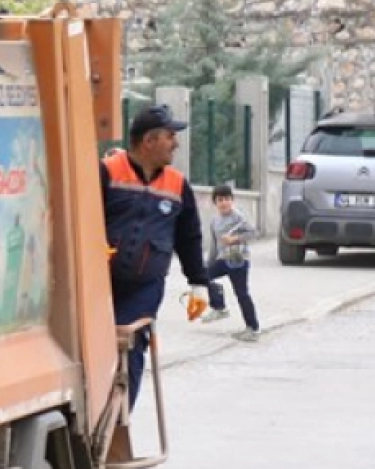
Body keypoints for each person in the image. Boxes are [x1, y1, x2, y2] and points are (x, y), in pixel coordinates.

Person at [101, 104, 209, 406]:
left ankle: (119, 420)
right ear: (149, 141)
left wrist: (198, 283)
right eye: (170, 136)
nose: (175, 143)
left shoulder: (176, 184)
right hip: (99, 283)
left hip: (144, 288)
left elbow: (189, 237)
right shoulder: (108, 172)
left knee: (131, 347)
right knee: (95, 349)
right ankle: (92, 422)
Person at [200, 183, 261, 342]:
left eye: (227, 199)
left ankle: (253, 329)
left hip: (238, 261)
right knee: (203, 276)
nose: (224, 203)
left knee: (241, 294)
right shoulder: (215, 222)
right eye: (220, 200)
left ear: (232, 200)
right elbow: (214, 246)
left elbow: (254, 232)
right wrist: (209, 263)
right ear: (215, 203)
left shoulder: (238, 217)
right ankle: (219, 308)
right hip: (222, 259)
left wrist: (234, 239)